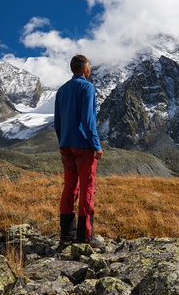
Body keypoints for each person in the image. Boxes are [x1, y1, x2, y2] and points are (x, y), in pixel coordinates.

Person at [54, 54, 103, 246]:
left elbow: (57, 122)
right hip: (83, 146)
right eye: (89, 67)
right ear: (84, 68)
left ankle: (67, 235)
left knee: (69, 187)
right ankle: (85, 236)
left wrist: (62, 142)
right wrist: (96, 145)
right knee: (87, 187)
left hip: (65, 145)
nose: (90, 70)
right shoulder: (87, 87)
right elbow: (88, 120)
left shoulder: (61, 90)